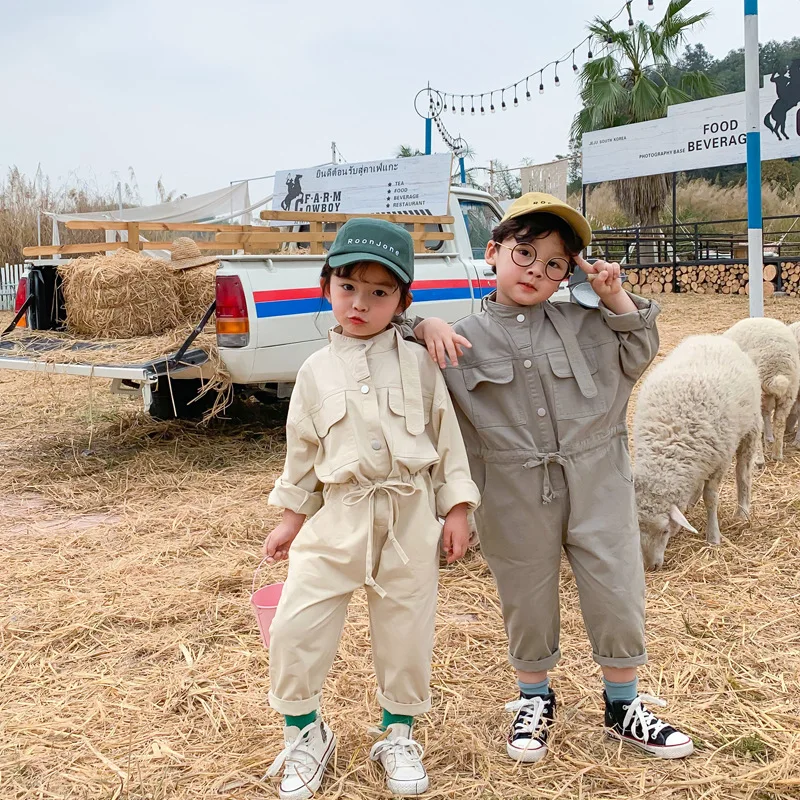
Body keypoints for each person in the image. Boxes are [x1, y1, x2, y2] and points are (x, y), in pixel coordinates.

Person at [420, 193, 694, 764]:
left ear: (569, 274)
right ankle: (533, 700)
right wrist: (421, 322)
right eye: (524, 254)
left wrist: (613, 291)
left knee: (617, 584)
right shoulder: (459, 338)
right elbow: (382, 336)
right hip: (513, 485)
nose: (536, 272)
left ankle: (623, 706)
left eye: (554, 265)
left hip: (599, 475)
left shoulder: (589, 321)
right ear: (493, 252)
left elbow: (641, 346)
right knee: (525, 592)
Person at [263, 217, 481, 799]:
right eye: (348, 287)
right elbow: (302, 451)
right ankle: (306, 733)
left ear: (403, 300)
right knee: (294, 624)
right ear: (326, 287)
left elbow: (447, 437)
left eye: (380, 292)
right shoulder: (313, 372)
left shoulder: (419, 362)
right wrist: (291, 517)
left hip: (410, 517)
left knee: (406, 628)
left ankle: (398, 733)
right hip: (338, 515)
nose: (360, 303)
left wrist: (455, 508)